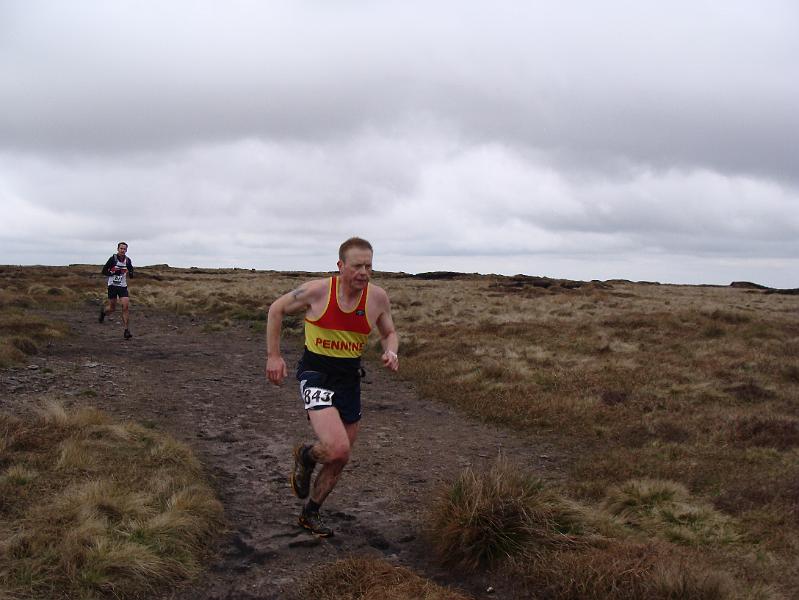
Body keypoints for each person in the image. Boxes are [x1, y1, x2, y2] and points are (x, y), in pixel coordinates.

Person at [265, 237, 399, 537]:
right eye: (357, 266)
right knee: (337, 448)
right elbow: (276, 310)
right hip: (317, 373)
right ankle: (307, 455)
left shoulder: (377, 298)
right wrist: (274, 356)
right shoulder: (317, 291)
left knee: (341, 456)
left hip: (350, 379)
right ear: (340, 266)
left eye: (369, 266)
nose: (364, 272)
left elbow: (390, 332)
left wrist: (392, 351)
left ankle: (310, 510)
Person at [99, 242, 134, 339]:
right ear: (118, 249)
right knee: (112, 308)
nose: (123, 250)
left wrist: (130, 273)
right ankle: (103, 313)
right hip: (112, 286)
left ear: (126, 250)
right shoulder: (112, 259)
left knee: (125, 306)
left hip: (122, 286)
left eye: (124, 249)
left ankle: (126, 330)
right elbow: (104, 271)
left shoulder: (127, 260)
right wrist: (113, 272)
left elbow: (131, 271)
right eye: (121, 248)